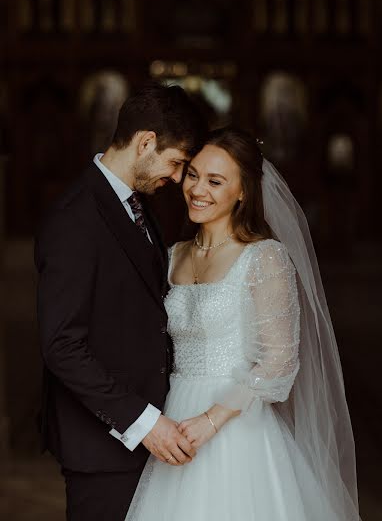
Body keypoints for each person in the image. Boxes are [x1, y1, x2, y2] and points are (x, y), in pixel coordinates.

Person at [125, 127, 361, 521]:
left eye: (215, 181)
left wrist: (210, 420)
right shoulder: (171, 255)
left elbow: (278, 363)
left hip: (237, 425)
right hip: (175, 419)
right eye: (194, 174)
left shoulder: (264, 258)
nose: (198, 189)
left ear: (243, 192)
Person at [34, 81, 206, 521]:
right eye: (175, 163)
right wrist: (144, 423)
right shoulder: (74, 216)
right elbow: (62, 346)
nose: (174, 179)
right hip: (103, 446)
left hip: (150, 434)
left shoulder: (137, 205)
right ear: (146, 141)